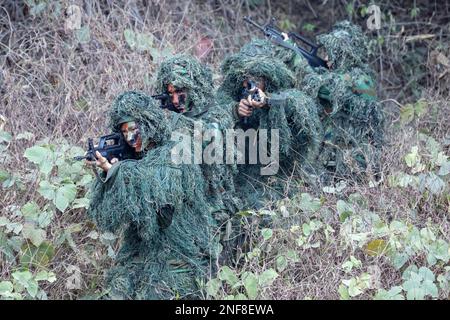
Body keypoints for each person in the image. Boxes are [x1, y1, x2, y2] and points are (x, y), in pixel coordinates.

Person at [87, 91, 221, 299]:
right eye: (124, 132)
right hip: (141, 252)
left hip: (180, 253)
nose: (131, 138)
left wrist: (119, 173)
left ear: (149, 123)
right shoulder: (132, 160)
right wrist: (108, 178)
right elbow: (107, 218)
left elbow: (160, 181)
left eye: (134, 129)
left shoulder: (177, 148)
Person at [216, 39, 324, 202]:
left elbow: (297, 104)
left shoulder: (284, 93)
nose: (248, 84)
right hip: (241, 168)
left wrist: (268, 103)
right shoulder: (234, 90)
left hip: (274, 174)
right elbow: (215, 108)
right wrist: (235, 111)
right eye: (245, 78)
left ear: (268, 78)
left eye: (256, 79)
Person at [278, 21, 384, 182]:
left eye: (331, 54)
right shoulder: (353, 75)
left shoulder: (358, 79)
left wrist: (293, 52)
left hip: (352, 162)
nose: (326, 59)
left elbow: (318, 86)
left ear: (342, 54)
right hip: (339, 154)